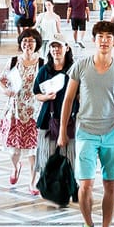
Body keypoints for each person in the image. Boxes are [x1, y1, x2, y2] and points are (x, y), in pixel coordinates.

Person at [58, 21, 114, 227]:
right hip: (86, 132)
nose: (104, 40)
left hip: (112, 132)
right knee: (85, 185)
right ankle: (87, 226)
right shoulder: (81, 66)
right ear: (94, 40)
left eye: (109, 37)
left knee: (110, 185)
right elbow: (68, 99)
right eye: (100, 36)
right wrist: (63, 130)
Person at [0, 28, 44, 194]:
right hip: (15, 111)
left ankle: (33, 182)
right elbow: (1, 80)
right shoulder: (13, 61)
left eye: (31, 41)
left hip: (35, 112)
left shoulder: (43, 63)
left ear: (36, 44)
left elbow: (48, 83)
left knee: (34, 149)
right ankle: (16, 166)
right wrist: (5, 91)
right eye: (25, 41)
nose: (28, 44)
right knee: (14, 150)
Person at [33, 33, 79, 179]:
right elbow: (37, 93)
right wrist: (46, 97)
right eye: (53, 46)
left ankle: (67, 184)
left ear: (67, 48)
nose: (55, 50)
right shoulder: (44, 70)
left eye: (59, 46)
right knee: (47, 155)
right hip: (48, 117)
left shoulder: (74, 70)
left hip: (70, 119)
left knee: (69, 156)